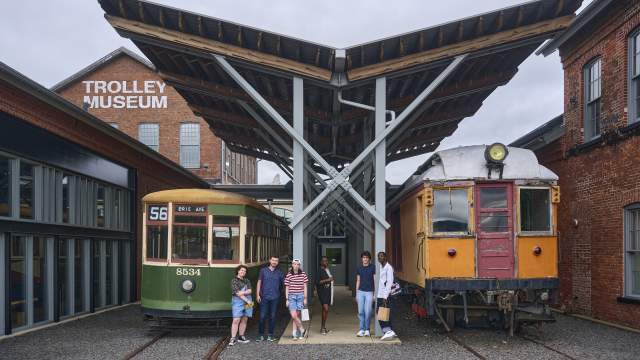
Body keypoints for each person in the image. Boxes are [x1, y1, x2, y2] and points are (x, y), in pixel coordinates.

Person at [256, 255, 285, 342]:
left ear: (278, 262)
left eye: (276, 261)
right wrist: (257, 295)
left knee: (273, 316)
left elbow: (284, 284)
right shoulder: (263, 271)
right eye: (273, 260)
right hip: (264, 297)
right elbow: (259, 282)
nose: (274, 262)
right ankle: (260, 335)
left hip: (275, 297)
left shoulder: (280, 273)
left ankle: (270, 335)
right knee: (262, 316)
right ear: (270, 260)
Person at [284, 259, 308, 340]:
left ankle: (295, 333)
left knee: (296, 316)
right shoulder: (289, 275)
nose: (296, 266)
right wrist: (287, 299)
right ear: (292, 265)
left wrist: (305, 298)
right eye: (294, 264)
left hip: (300, 296)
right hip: (291, 297)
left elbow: (305, 286)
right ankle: (302, 330)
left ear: (299, 265)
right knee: (293, 315)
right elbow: (287, 287)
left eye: (298, 264)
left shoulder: (303, 274)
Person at [229, 264, 253, 346]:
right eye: (242, 270)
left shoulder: (247, 280)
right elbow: (237, 294)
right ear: (238, 271)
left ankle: (241, 336)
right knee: (236, 319)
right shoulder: (234, 281)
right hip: (238, 302)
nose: (243, 272)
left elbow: (250, 291)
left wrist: (243, 292)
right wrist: (247, 300)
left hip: (248, 301)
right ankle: (233, 338)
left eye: (245, 271)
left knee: (245, 319)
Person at [377, 251, 396, 341]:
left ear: (385, 257)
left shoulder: (389, 268)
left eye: (381, 256)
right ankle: (391, 331)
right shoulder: (381, 267)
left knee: (380, 313)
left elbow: (389, 282)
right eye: (379, 257)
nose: (380, 258)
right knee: (385, 313)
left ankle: (387, 331)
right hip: (380, 293)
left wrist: (385, 297)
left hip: (385, 295)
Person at [355, 251, 375, 337]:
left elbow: (375, 280)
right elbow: (358, 280)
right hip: (360, 292)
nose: (365, 259)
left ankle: (367, 329)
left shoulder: (373, 267)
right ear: (361, 259)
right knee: (360, 311)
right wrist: (356, 293)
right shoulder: (359, 268)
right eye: (363, 257)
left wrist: (375, 293)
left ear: (369, 259)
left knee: (368, 311)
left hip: (369, 292)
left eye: (367, 258)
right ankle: (361, 329)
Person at [315, 256, 333, 335]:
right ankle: (322, 327)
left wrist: (330, 280)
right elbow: (317, 282)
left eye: (326, 261)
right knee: (325, 308)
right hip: (322, 292)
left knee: (325, 309)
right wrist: (328, 280)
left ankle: (323, 327)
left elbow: (330, 279)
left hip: (328, 292)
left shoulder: (327, 270)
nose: (325, 262)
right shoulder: (319, 270)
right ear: (321, 262)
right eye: (324, 261)